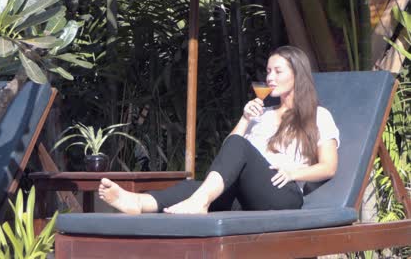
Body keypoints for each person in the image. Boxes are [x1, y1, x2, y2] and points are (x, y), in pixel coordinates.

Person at [98, 45, 340, 215]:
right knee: (195, 186)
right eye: (268, 71)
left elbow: (328, 167)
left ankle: (199, 202)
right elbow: (229, 151)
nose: (270, 78)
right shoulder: (261, 115)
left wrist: (293, 172)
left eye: (278, 71)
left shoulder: (318, 115)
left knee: (223, 167)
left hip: (282, 193)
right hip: (247, 195)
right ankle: (138, 203)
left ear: (298, 76)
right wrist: (245, 118)